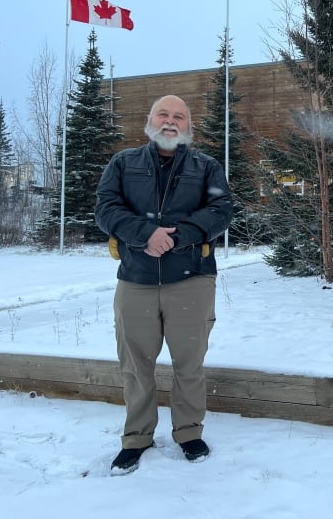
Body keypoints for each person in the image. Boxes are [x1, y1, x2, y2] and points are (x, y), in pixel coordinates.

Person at [95, 94, 234, 474]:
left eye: (179, 117)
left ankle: (189, 432)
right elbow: (106, 208)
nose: (171, 121)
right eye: (163, 114)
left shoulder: (206, 167)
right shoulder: (123, 164)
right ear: (150, 119)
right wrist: (145, 233)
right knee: (135, 365)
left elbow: (222, 210)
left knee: (189, 365)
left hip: (191, 279)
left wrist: (177, 236)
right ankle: (137, 437)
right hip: (136, 279)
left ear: (188, 126)